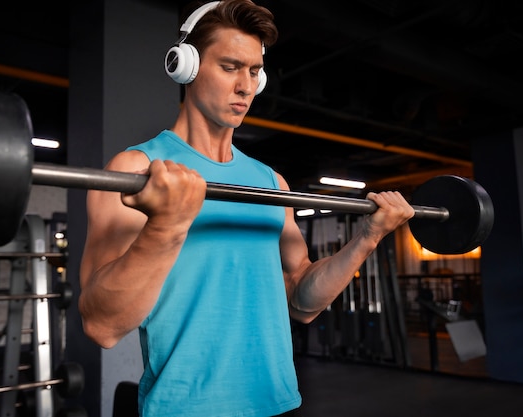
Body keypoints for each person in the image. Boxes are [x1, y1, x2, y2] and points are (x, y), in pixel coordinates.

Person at [78, 1, 415, 416]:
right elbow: (101, 325)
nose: (246, 86)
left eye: (254, 71)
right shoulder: (138, 170)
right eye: (230, 66)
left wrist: (369, 237)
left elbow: (302, 301)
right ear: (185, 66)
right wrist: (166, 225)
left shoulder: (273, 183)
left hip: (279, 404)